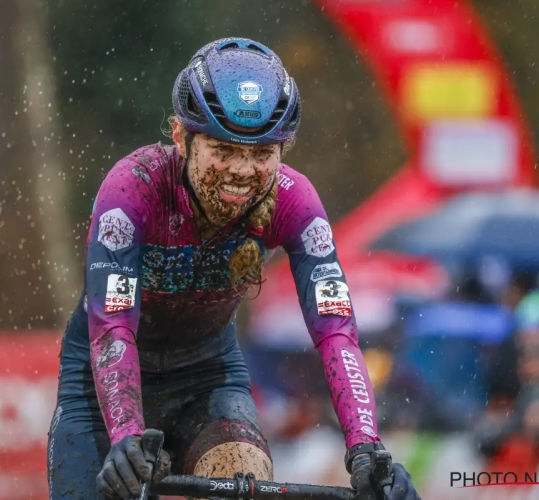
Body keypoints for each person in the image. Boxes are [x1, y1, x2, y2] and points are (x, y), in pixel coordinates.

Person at [47, 37, 420, 500]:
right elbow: (113, 324)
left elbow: (335, 331)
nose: (243, 171)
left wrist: (366, 449)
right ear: (183, 138)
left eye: (262, 154)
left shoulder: (295, 201)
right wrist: (125, 435)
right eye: (224, 150)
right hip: (103, 377)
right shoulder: (134, 187)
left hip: (207, 376)